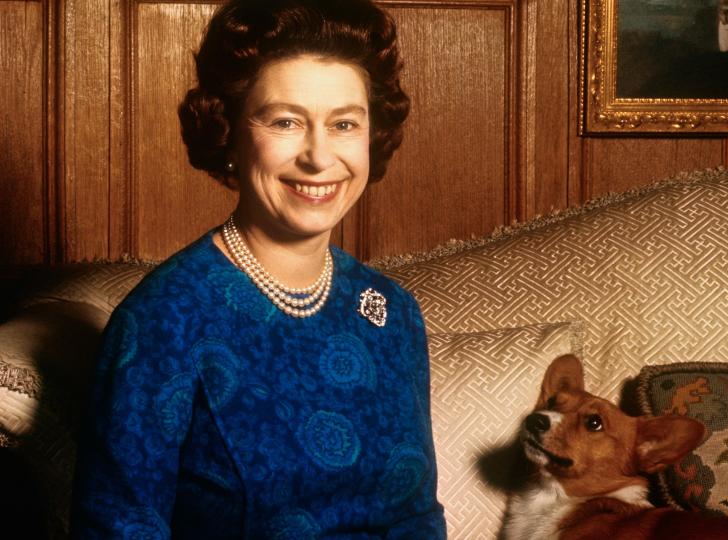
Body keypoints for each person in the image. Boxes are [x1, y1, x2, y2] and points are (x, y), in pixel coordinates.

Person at [70, 0, 446, 537]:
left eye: (343, 123)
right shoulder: (162, 322)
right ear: (230, 133)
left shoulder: (391, 312)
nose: (319, 157)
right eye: (286, 121)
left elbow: (419, 517)